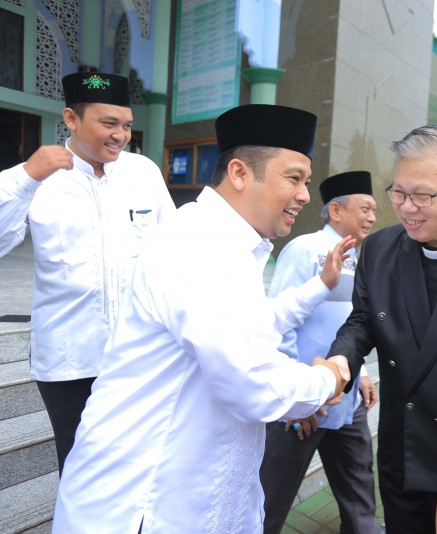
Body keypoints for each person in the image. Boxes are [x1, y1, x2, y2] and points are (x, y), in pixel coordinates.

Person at [52, 104, 353, 533]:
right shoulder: (200, 244)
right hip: (143, 505)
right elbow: (252, 382)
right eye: (294, 178)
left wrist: (320, 286)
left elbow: (249, 326)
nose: (305, 195)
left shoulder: (223, 243)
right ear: (240, 173)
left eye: (305, 181)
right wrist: (327, 378)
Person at [327, 125, 437, 532]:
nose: (407, 208)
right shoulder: (378, 250)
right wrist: (340, 360)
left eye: (423, 196)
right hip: (403, 448)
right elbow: (362, 321)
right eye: (398, 193)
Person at [0, 72, 175, 474]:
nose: (121, 135)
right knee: (79, 465)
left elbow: (171, 248)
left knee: (137, 464)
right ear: (71, 118)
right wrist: (26, 178)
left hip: (136, 353)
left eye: (127, 125)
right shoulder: (38, 177)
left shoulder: (142, 172)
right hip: (69, 358)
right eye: (109, 123)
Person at [260, 170, 382, 534]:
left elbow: (352, 322)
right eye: (365, 208)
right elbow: (279, 324)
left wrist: (361, 373)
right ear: (336, 210)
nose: (372, 217)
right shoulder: (305, 249)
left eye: (375, 210)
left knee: (359, 489)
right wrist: (297, 394)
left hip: (346, 398)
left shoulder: (361, 258)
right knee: (272, 496)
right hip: (304, 405)